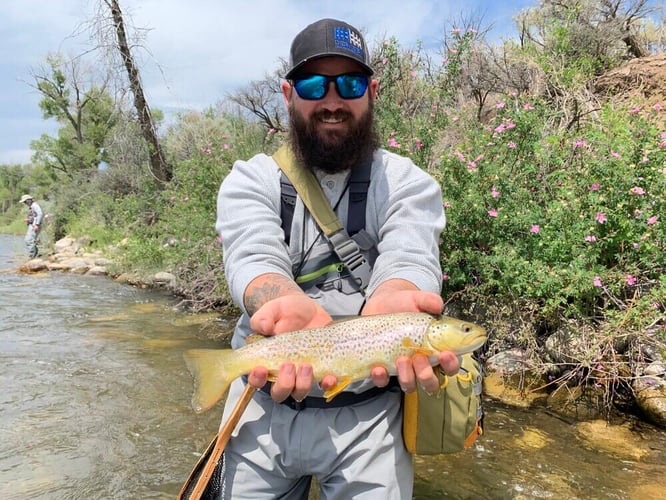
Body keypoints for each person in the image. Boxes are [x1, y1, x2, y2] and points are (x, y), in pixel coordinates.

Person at [215, 18, 459, 499]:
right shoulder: (250, 181)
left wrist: (400, 295)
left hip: (371, 418)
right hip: (260, 405)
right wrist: (279, 299)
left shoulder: (409, 183)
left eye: (348, 83)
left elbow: (409, 258)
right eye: (312, 84)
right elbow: (253, 254)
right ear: (288, 94)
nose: (331, 101)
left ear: (372, 91)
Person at [19, 194, 43, 258]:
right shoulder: (32, 206)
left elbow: (40, 214)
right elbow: (34, 216)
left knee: (29, 240)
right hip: (32, 225)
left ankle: (32, 256)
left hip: (34, 226)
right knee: (29, 240)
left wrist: (36, 224)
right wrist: (28, 220)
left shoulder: (35, 205)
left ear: (28, 200)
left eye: (25, 201)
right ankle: (35, 254)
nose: (24, 203)